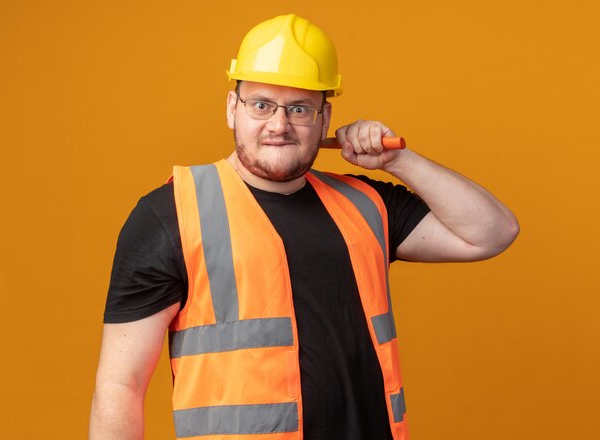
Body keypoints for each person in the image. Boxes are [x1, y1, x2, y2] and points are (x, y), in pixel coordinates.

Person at [89, 13, 519, 440]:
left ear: (324, 118)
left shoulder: (367, 204)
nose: (279, 125)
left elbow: (492, 232)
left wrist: (399, 160)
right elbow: (119, 387)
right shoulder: (172, 213)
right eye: (261, 105)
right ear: (231, 109)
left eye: (299, 108)